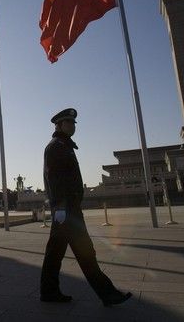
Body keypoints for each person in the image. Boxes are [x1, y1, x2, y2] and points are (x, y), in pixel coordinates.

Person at [40, 108, 132, 307]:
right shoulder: (56, 146)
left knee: (56, 253)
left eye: (73, 123)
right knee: (84, 252)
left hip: (68, 209)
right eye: (69, 123)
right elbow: (53, 179)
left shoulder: (64, 145)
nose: (73, 126)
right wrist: (62, 208)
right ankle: (108, 294)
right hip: (66, 210)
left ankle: (49, 292)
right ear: (59, 125)